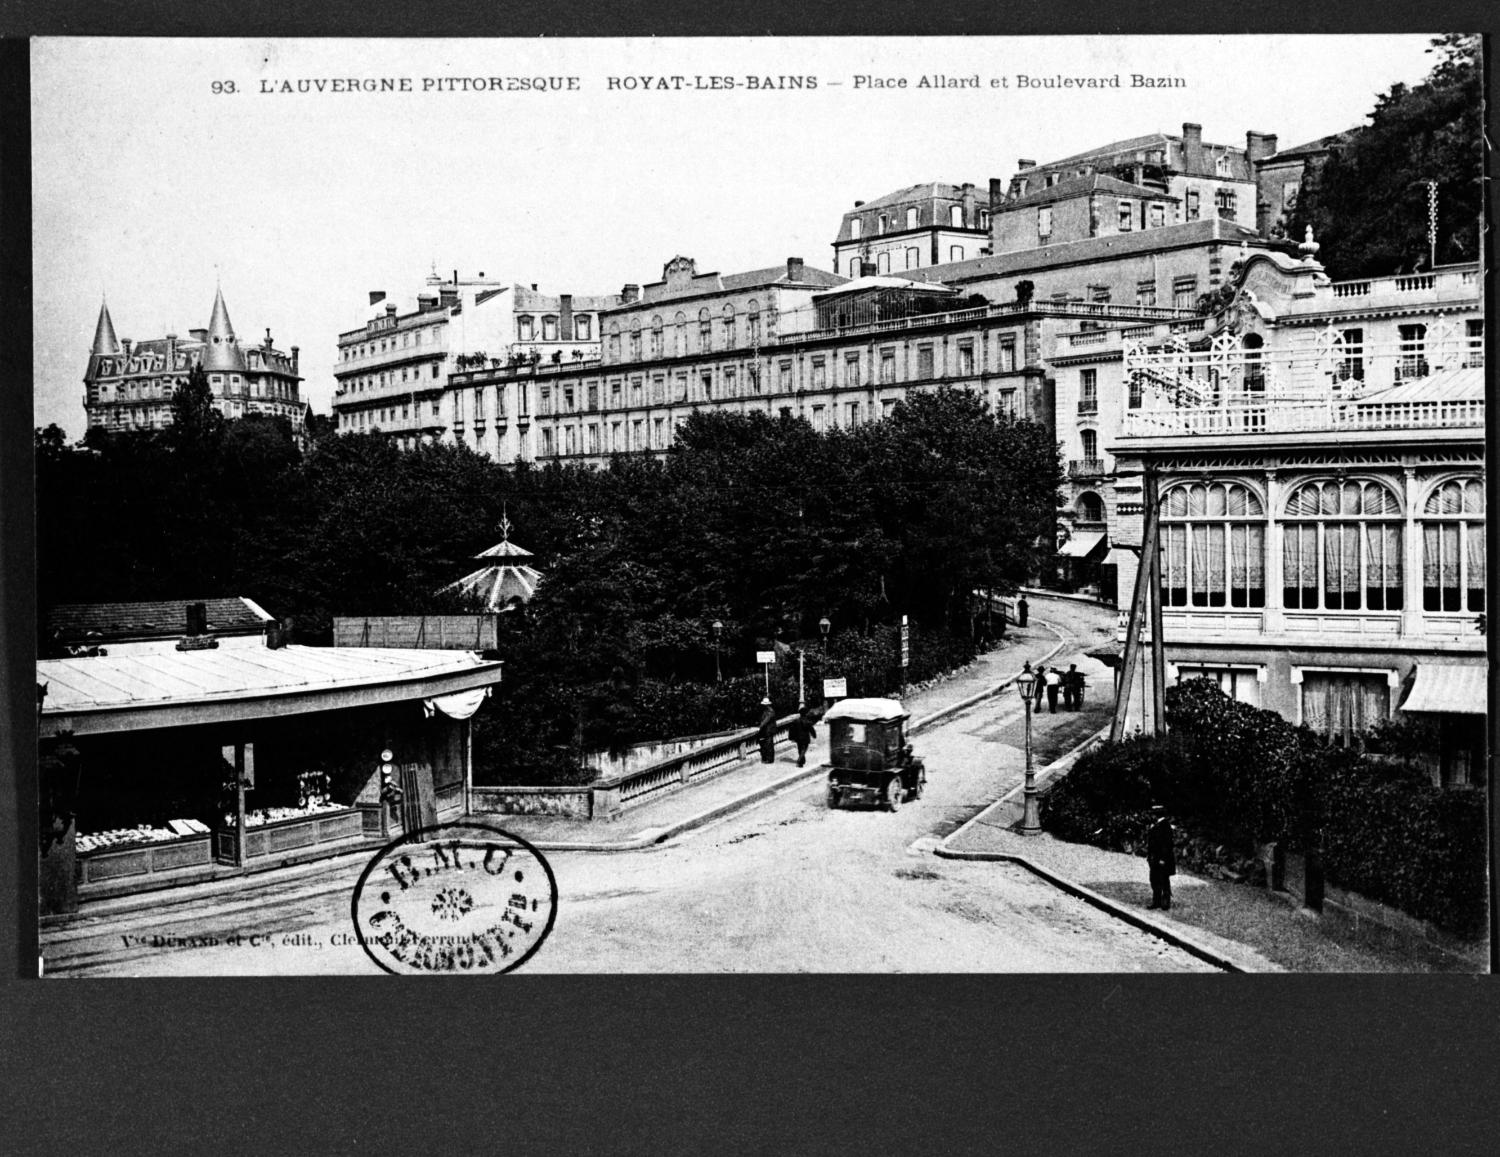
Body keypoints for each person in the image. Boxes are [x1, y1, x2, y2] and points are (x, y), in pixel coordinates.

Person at [1146, 804, 1176, 910]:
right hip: (1155, 858)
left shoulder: (1165, 826)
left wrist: (1163, 859)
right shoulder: (1156, 825)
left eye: (1153, 814)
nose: (1151, 816)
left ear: (1157, 814)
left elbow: (1167, 844)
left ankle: (1165, 902)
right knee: (1154, 880)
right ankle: (1156, 901)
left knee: (1164, 880)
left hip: (1162, 859)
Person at [756, 698, 777, 764]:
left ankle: (770, 759)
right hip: (767, 730)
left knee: (769, 745)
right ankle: (768, 758)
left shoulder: (770, 711)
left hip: (769, 730)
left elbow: (766, 720)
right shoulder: (766, 710)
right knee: (767, 744)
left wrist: (760, 726)